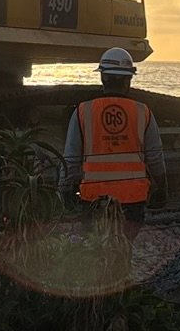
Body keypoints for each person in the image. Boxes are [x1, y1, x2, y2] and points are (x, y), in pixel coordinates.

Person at [60, 47, 167, 232]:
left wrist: (64, 189)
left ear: (103, 78)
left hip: (93, 199)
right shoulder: (143, 112)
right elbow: (155, 157)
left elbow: (70, 158)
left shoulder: (83, 111)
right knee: (125, 245)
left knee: (95, 246)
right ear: (128, 80)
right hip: (132, 200)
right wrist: (163, 188)